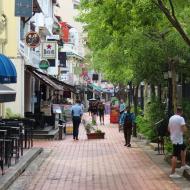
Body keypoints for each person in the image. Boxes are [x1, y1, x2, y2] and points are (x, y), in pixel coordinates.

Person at [168, 107, 190, 178]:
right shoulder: (181, 118)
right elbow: (184, 129)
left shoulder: (171, 118)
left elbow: (168, 128)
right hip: (177, 140)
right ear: (181, 112)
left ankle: (183, 164)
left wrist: (174, 132)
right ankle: (172, 172)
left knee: (184, 148)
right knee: (175, 155)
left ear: (176, 111)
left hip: (175, 138)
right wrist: (187, 134)